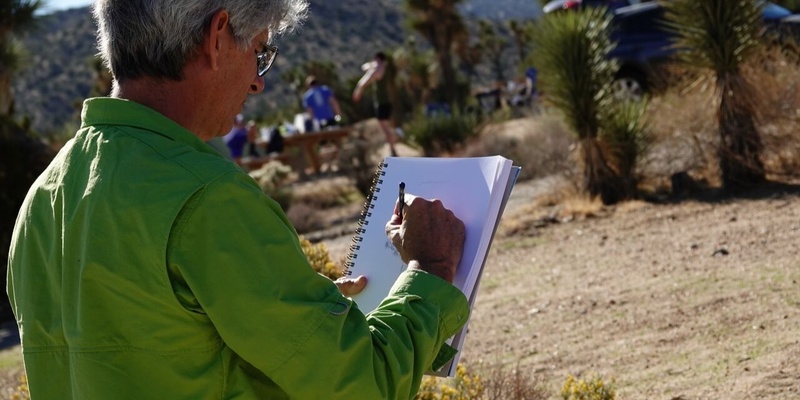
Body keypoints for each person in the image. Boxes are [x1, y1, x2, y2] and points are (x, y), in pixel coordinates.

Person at [6, 1, 468, 399]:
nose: (257, 82)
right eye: (260, 52)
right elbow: (363, 383)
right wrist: (429, 272)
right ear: (218, 36)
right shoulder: (206, 196)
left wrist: (297, 311)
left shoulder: (45, 196)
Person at [353, 51, 399, 156]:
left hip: (382, 102)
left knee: (385, 128)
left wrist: (358, 90)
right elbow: (365, 67)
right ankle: (393, 145)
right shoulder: (386, 69)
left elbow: (364, 81)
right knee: (387, 126)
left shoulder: (378, 70)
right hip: (387, 102)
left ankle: (393, 149)